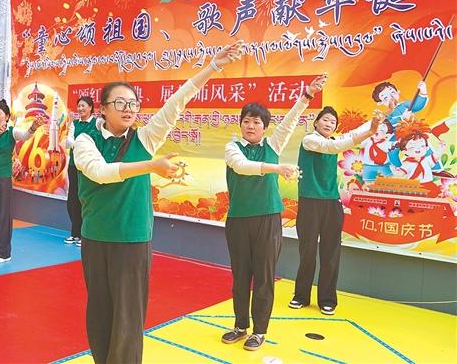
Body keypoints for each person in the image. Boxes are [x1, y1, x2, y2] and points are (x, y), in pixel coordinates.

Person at [74, 42, 244, 363]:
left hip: (133, 238)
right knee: (99, 311)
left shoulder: (145, 138)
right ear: (103, 109)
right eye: (119, 103)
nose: (128, 109)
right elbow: (100, 172)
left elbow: (177, 101)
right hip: (96, 236)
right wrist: (151, 166)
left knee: (128, 316)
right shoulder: (85, 140)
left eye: (133, 103)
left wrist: (213, 67)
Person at [221, 73, 326, 351]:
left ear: (265, 127)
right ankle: (240, 326)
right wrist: (277, 168)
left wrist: (307, 95)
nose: (251, 125)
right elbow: (242, 167)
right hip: (238, 220)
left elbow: (290, 120)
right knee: (240, 276)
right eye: (247, 121)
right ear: (240, 124)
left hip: (268, 219)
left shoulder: (273, 144)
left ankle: (260, 331)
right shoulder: (233, 148)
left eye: (257, 122)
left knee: (264, 277)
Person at [290, 106, 383, 315]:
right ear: (316, 123)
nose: (329, 124)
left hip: (331, 203)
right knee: (307, 252)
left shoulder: (334, 142)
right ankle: (301, 296)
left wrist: (378, 119)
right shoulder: (309, 140)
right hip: (309, 202)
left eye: (333, 122)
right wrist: (369, 131)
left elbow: (352, 134)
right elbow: (337, 145)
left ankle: (327, 299)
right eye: (325, 119)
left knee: (330, 254)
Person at [0, 99, 46, 263]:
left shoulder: (11, 131)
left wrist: (34, 127)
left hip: (2, 177)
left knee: (2, 213)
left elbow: (25, 135)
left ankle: (3, 252)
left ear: (7, 116)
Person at [64, 95, 96, 247]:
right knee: (73, 200)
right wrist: (82, 145)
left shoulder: (97, 123)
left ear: (90, 107)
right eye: (79, 106)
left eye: (83, 106)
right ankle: (75, 233)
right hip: (73, 165)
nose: (80, 108)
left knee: (85, 199)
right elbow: (68, 142)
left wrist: (77, 144)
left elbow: (95, 142)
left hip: (88, 166)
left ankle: (86, 234)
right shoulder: (75, 124)